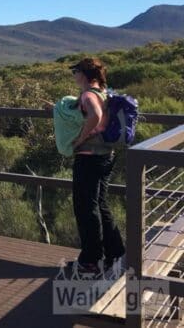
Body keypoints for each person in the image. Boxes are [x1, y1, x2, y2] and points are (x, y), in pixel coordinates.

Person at [68, 58, 125, 276]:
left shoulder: (88, 94)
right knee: (100, 205)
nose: (74, 75)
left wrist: (81, 139)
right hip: (105, 156)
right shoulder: (104, 92)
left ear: (85, 74)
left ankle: (91, 261)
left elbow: (95, 116)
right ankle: (116, 253)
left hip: (89, 157)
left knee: (85, 208)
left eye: (75, 71)